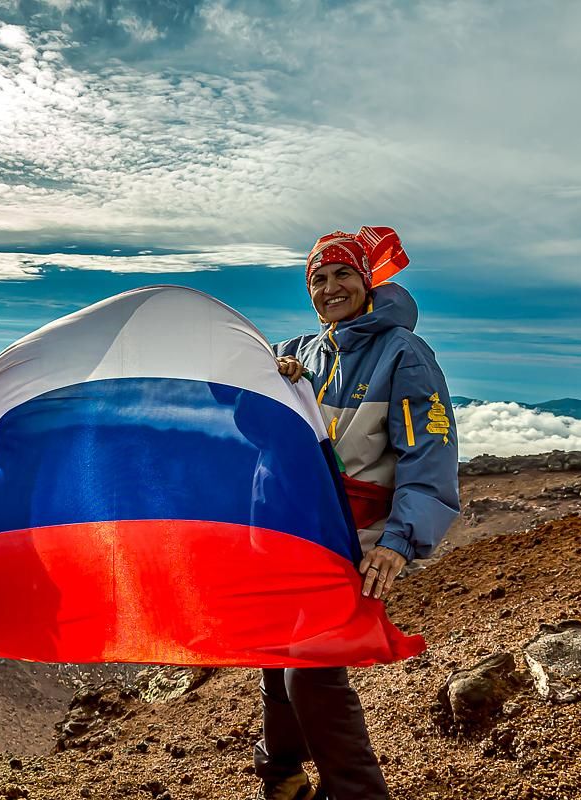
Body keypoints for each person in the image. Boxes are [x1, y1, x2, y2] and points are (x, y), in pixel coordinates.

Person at [255, 227, 460, 800]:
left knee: (312, 668)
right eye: (317, 279)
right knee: (278, 655)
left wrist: (400, 540)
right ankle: (284, 779)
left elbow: (430, 450)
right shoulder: (299, 351)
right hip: (294, 527)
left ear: (368, 280)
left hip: (357, 535)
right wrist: (277, 385)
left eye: (343, 273)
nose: (330, 287)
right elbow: (262, 433)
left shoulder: (404, 353)